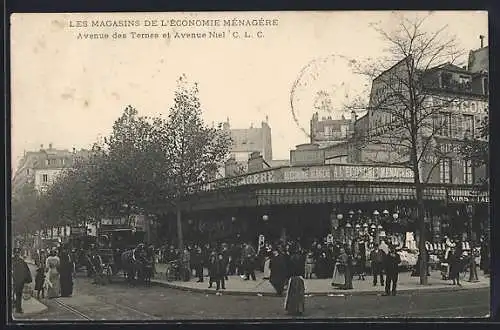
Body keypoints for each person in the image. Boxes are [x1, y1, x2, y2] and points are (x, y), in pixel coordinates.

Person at [284, 247, 305, 316]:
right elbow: (302, 268)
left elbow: (288, 268)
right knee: (299, 294)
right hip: (299, 278)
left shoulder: (290, 258)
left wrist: (288, 277)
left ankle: (291, 309)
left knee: (291, 294)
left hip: (292, 278)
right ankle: (299, 309)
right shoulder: (301, 258)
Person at [12, 248, 32, 314]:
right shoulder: (11, 261)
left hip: (19, 282)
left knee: (18, 295)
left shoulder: (21, 261)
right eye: (16, 253)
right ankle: (16, 307)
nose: (17, 254)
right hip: (13, 281)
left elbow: (26, 271)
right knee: (16, 294)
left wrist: (27, 280)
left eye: (17, 253)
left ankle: (18, 308)